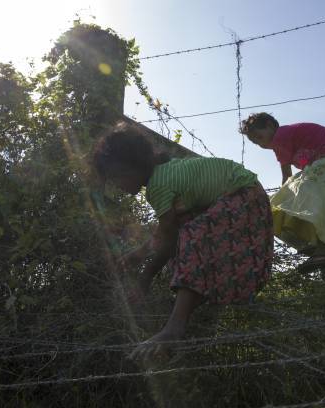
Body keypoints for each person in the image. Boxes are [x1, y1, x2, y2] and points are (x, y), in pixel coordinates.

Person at [92, 122, 274, 360]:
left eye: (116, 177)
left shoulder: (158, 185)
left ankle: (174, 328)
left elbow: (169, 238)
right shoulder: (166, 172)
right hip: (247, 194)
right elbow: (166, 230)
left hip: (243, 196)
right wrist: (139, 253)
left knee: (191, 234)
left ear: (132, 167)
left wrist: (145, 277)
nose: (117, 186)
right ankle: (187, 312)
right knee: (186, 230)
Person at [240, 113, 325, 269]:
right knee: (311, 192)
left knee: (304, 193)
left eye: (259, 137)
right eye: (255, 142)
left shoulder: (280, 138)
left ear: (269, 125)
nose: (260, 144)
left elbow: (286, 176)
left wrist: (282, 201)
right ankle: (322, 246)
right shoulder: (286, 137)